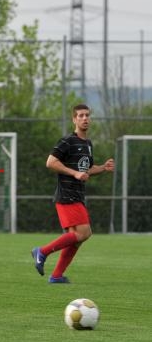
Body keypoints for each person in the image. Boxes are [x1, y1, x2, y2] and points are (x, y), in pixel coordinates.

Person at [31, 104, 114, 283]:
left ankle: (57, 276)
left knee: (76, 240)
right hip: (67, 195)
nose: (85, 118)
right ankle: (42, 252)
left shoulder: (88, 144)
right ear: (74, 119)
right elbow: (51, 162)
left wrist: (102, 168)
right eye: (81, 116)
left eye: (87, 115)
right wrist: (74, 173)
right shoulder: (67, 141)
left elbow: (87, 169)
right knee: (85, 232)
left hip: (77, 195)